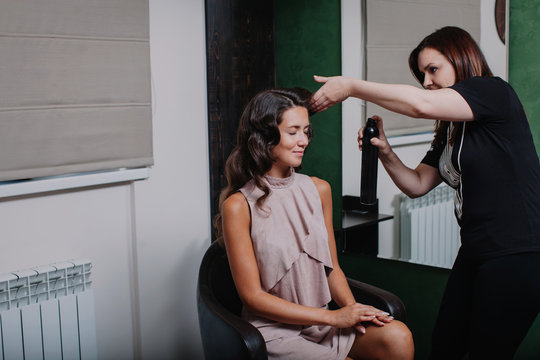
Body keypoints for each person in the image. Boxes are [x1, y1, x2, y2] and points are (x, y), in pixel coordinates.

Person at [310, 26, 540, 359]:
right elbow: (417, 184)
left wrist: (350, 86)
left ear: (462, 58)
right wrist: (385, 150)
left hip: (517, 252)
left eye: (433, 69)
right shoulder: (452, 128)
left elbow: (420, 105)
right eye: (422, 74)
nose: (427, 81)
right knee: (445, 344)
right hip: (476, 252)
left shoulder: (493, 92)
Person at [215, 87, 414, 360]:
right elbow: (253, 298)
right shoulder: (238, 206)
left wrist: (352, 310)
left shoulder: (319, 189)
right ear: (264, 137)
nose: (304, 141)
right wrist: (334, 317)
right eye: (293, 131)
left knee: (398, 336)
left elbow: (333, 271)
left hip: (324, 325)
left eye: (306, 131)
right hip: (276, 333)